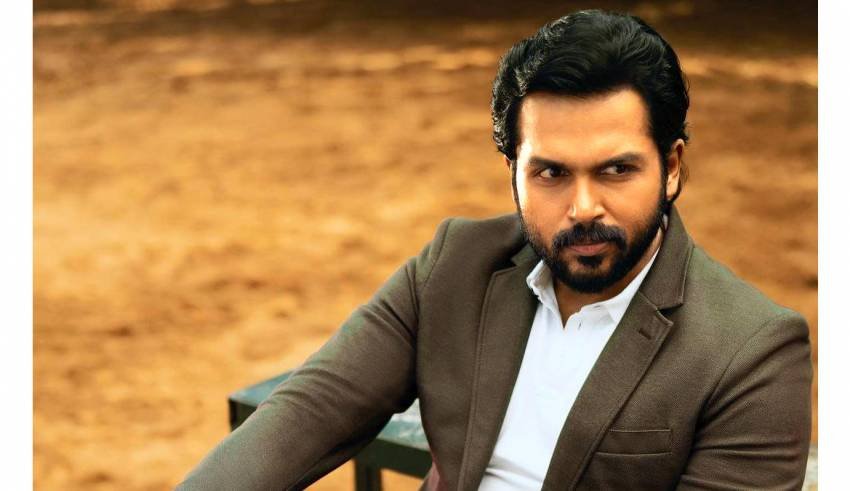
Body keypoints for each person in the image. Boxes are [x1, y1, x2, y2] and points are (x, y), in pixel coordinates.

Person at [178, 9, 812, 490]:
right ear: (513, 172)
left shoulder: (751, 351)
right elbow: (311, 411)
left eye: (616, 170)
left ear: (671, 167)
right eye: (551, 173)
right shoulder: (457, 264)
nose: (583, 207)